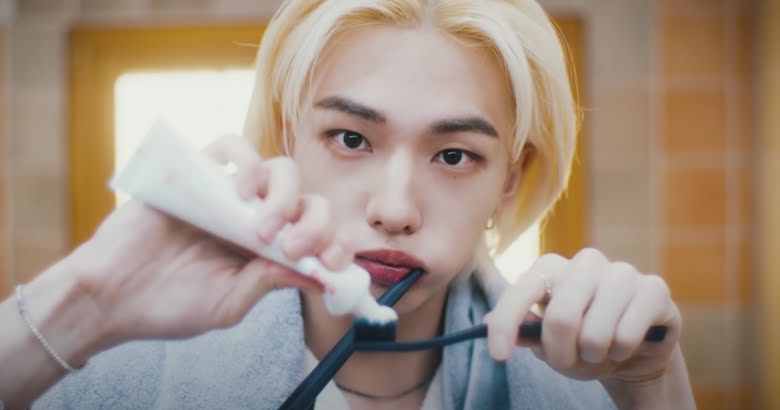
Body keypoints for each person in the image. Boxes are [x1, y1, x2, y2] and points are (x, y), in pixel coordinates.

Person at [0, 0, 696, 408]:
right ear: (286, 142)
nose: (395, 210)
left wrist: (654, 389)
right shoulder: (117, 373)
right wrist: (85, 303)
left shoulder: (590, 390)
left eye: (455, 155)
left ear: (511, 180)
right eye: (351, 139)